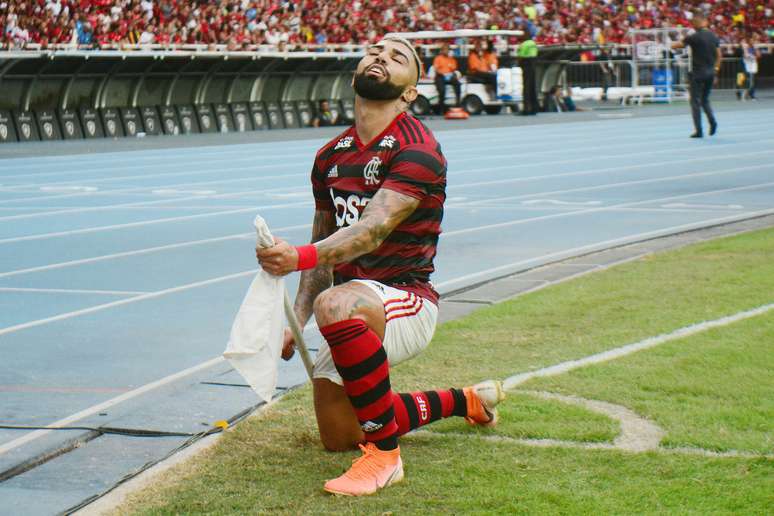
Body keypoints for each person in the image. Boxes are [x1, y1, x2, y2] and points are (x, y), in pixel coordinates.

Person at [255, 36, 505, 497]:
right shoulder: (330, 156)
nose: (381, 58)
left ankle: (385, 460)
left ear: (411, 92)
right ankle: (461, 400)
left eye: (397, 58)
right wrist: (298, 317)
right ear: (356, 71)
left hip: (406, 299)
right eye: (374, 52)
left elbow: (369, 231)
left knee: (339, 300)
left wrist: (298, 260)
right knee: (339, 435)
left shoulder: (419, 148)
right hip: (349, 307)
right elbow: (323, 242)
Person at [672, 10, 720, 138]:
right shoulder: (713, 36)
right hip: (710, 72)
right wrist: (716, 70)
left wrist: (675, 41)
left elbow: (676, 45)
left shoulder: (694, 37)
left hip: (698, 73)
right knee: (705, 100)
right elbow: (719, 55)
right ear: (705, 22)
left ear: (694, 24)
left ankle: (699, 130)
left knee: (695, 102)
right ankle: (712, 121)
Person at [432, 42, 461, 113]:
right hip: (440, 76)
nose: (446, 51)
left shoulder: (451, 59)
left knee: (457, 83)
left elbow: (454, 68)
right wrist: (443, 74)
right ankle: (441, 106)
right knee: (442, 90)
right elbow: (436, 69)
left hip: (449, 76)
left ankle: (458, 102)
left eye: (447, 49)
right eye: (444, 49)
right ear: (442, 50)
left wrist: (450, 74)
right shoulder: (438, 58)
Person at [517, 31, 539, 115]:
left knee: (526, 87)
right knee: (532, 86)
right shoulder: (533, 43)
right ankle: (534, 108)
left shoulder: (524, 44)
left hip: (526, 64)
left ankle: (526, 108)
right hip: (533, 63)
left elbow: (521, 56)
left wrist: (519, 64)